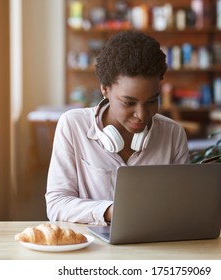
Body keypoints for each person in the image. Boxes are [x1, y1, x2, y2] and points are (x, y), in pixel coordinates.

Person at [45, 31, 189, 226]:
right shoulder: (73, 126)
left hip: (155, 248)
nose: (142, 114)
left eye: (152, 101)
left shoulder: (173, 134)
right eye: (129, 103)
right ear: (105, 89)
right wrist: (112, 211)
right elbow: (57, 204)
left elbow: (183, 206)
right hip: (92, 250)